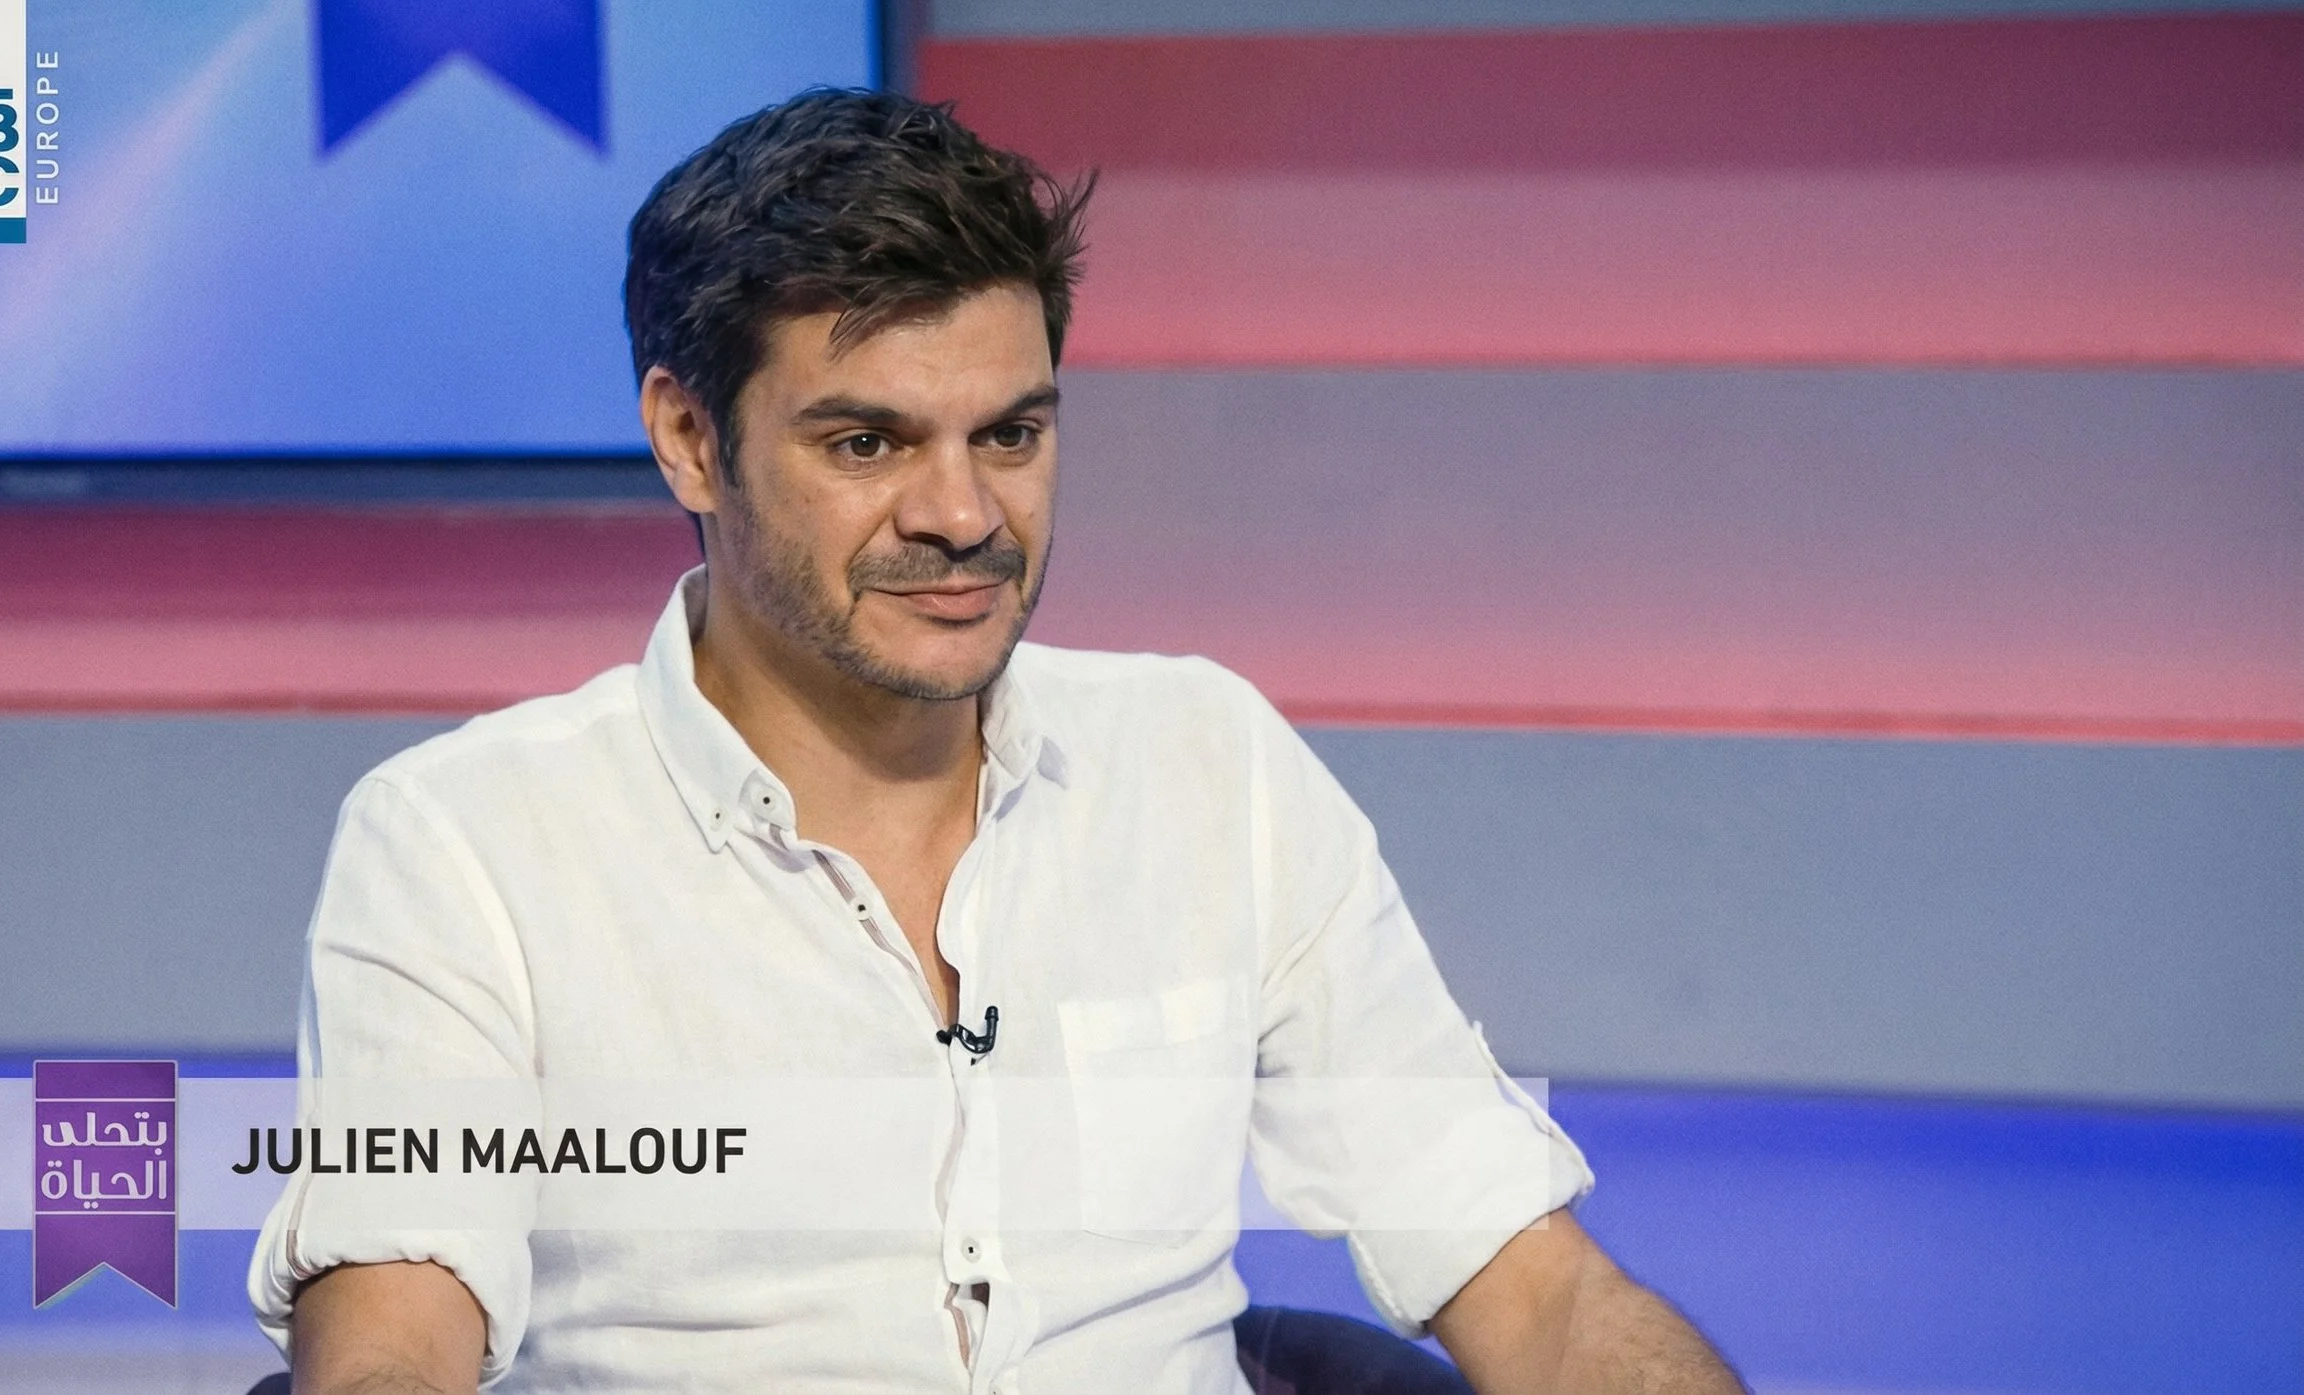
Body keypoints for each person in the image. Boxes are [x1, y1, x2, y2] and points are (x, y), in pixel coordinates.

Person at [251, 88, 1744, 1394]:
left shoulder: (1207, 761)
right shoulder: (465, 843)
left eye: (1011, 436)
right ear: (691, 438)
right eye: (869, 443)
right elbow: (395, 1336)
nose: (964, 517)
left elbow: (1532, 1286)